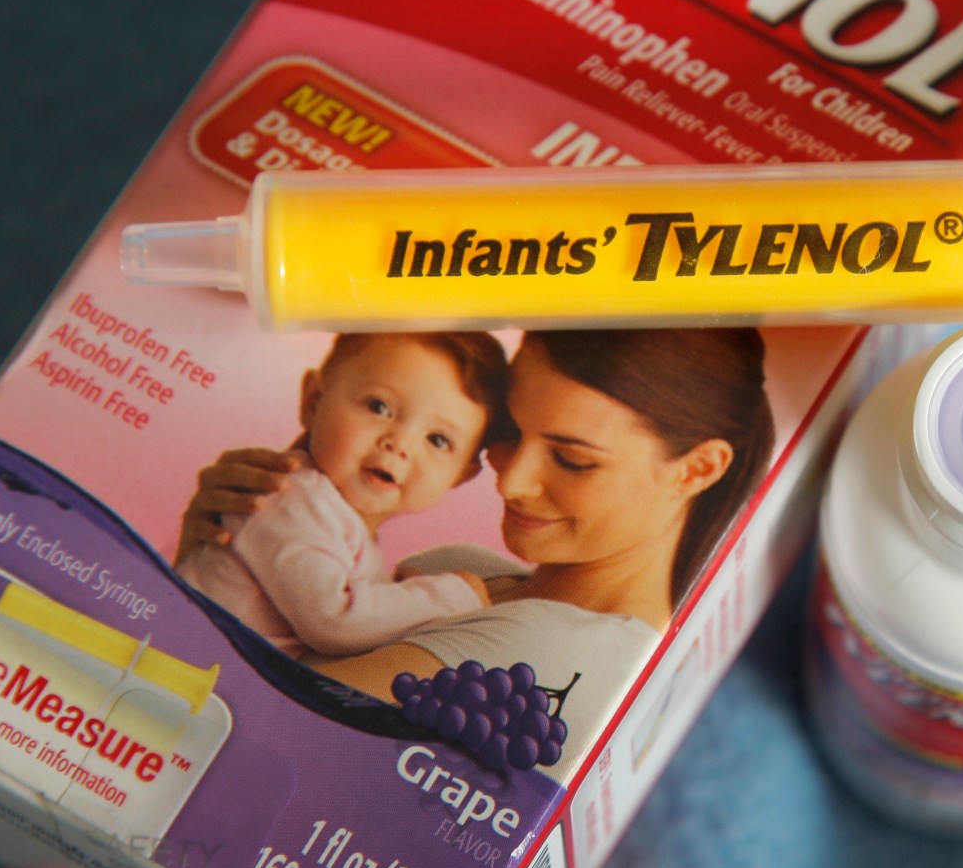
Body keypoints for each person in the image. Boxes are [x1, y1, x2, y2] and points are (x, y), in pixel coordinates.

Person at [181, 328, 775, 774]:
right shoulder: (460, 571)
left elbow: (240, 735)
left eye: (572, 460)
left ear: (696, 470)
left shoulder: (553, 654)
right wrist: (221, 544)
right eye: (510, 431)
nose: (509, 481)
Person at [177, 332, 508, 659]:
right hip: (177, 659)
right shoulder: (289, 498)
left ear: (460, 475)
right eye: (379, 407)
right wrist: (452, 597)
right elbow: (334, 621)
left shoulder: (342, 522)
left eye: (437, 440)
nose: (400, 444)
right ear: (314, 402)